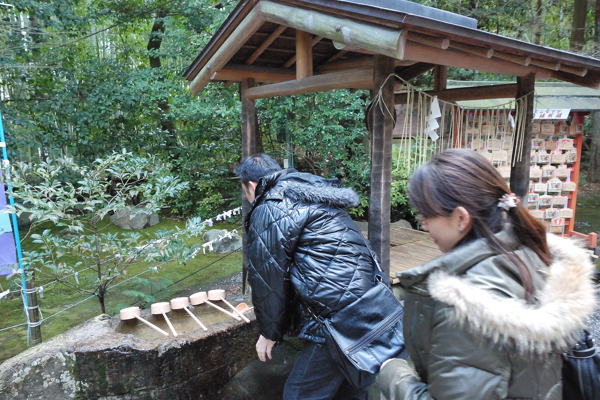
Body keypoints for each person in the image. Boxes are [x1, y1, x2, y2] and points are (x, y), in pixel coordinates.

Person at [376, 148, 597, 400]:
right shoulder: (530, 254)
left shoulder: (464, 303)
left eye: (425, 216)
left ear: (460, 218)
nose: (423, 225)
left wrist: (392, 373)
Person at [236, 153, 392, 400]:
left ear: (251, 185)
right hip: (372, 304)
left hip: (338, 319)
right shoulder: (310, 192)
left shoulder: (270, 205)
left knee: (299, 394)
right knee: (350, 389)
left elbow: (269, 279)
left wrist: (269, 333)